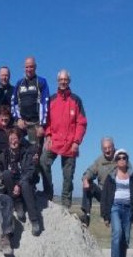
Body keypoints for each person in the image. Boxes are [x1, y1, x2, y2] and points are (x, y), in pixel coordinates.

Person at [40, 69, 87, 207]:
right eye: (61, 79)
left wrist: (76, 141)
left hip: (70, 143)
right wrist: (48, 135)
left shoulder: (76, 100)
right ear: (57, 81)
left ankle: (66, 204)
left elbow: (81, 123)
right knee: (43, 161)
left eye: (65, 79)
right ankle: (48, 193)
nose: (63, 82)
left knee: (68, 175)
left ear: (69, 81)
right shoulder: (52, 99)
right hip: (54, 141)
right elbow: (47, 120)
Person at [100, 149, 133, 257]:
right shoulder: (111, 177)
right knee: (117, 233)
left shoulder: (132, 176)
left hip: (128, 209)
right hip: (115, 207)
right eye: (119, 158)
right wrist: (105, 215)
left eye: (124, 158)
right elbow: (104, 196)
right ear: (116, 161)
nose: (121, 160)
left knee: (125, 239)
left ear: (127, 160)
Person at [1, 128, 41, 236]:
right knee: (6, 174)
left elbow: (29, 171)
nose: (13, 141)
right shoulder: (4, 155)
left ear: (19, 140)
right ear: (8, 141)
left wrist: (18, 184)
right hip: (12, 187)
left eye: (15, 139)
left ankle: (34, 220)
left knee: (25, 183)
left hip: (24, 183)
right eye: (11, 139)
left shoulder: (27, 153)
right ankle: (18, 205)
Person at [80, 137, 122, 227]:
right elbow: (90, 171)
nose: (107, 150)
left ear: (113, 147)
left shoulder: (121, 157)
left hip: (117, 194)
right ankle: (86, 215)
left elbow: (130, 174)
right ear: (102, 149)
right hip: (103, 194)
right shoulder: (99, 161)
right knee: (87, 182)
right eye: (105, 148)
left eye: (109, 148)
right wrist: (85, 179)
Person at [11, 57, 50, 146]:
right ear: (24, 68)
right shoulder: (19, 83)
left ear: (35, 67)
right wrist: (18, 119)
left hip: (36, 123)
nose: (29, 69)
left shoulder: (41, 82)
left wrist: (42, 125)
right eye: (27, 67)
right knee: (14, 143)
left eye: (31, 67)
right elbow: (14, 102)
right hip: (22, 122)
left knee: (34, 150)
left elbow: (45, 103)